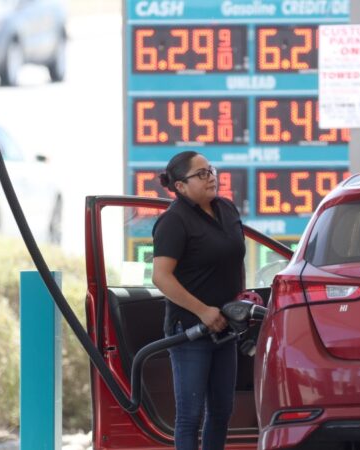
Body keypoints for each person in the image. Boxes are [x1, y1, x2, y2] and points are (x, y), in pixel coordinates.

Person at [151, 151, 246, 450]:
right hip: (191, 328)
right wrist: (203, 311)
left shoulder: (227, 209)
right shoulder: (174, 222)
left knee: (221, 411)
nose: (211, 178)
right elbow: (161, 277)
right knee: (191, 416)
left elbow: (235, 259)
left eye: (211, 171)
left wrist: (239, 299)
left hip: (225, 326)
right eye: (201, 174)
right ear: (180, 186)